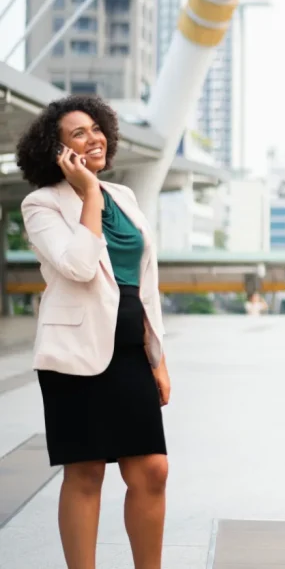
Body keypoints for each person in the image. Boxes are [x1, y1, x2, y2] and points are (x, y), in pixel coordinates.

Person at [15, 95, 170, 569]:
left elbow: (144, 284)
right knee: (85, 475)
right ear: (55, 150)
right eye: (78, 133)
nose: (94, 137)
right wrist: (89, 194)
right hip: (74, 356)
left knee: (153, 471)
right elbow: (79, 267)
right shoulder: (41, 204)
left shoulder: (124, 196)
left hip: (129, 354)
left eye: (96, 128)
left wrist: (158, 359)